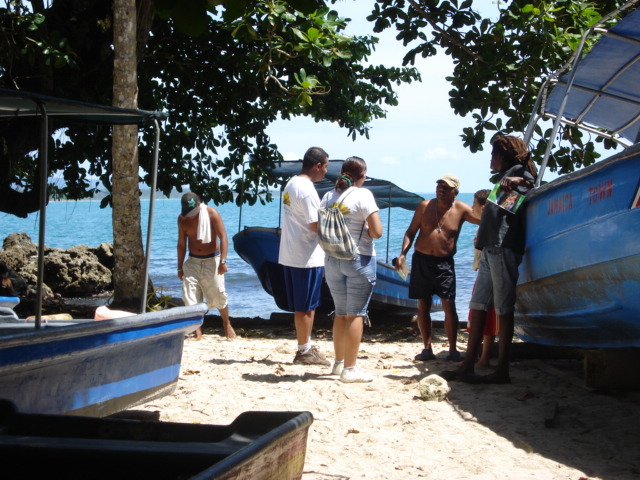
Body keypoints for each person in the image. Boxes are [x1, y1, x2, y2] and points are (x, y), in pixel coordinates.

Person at [441, 135, 537, 384]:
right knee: (478, 305)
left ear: (504, 155)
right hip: (490, 249)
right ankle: (468, 364)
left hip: (502, 248)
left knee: (503, 310)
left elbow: (530, 185)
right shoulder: (507, 176)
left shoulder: (519, 173)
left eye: (494, 154)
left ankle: (501, 370)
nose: (491, 159)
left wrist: (518, 179)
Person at [395, 174, 479, 362]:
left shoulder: (461, 209)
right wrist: (402, 254)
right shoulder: (425, 206)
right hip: (421, 260)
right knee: (423, 304)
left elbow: (484, 219)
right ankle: (427, 348)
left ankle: (452, 349)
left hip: (444, 263)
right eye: (439, 186)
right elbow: (411, 231)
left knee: (448, 303)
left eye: (446, 188)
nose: (441, 189)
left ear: (455, 192)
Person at [320, 156, 383, 383]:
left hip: (331, 258)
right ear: (362, 175)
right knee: (357, 313)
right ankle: (350, 369)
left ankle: (338, 364)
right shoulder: (363, 194)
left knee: (340, 313)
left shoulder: (328, 196)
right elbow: (377, 232)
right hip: (358, 258)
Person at [278, 146, 331, 366]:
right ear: (317, 165)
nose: (326, 172)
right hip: (306, 255)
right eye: (325, 167)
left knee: (302, 306)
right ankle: (304, 349)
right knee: (307, 306)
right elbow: (314, 225)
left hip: (290, 253)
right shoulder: (307, 189)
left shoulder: (291, 183)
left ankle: (304, 346)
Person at [177, 192, 236, 340]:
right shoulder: (182, 219)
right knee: (189, 296)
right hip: (192, 261)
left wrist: (223, 261)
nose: (190, 215)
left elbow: (223, 237)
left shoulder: (211, 213)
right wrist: (179, 267)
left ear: (199, 205)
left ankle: (226, 323)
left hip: (212, 260)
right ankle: (197, 330)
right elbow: (182, 244)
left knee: (218, 294)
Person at [467, 189, 497, 368]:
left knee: (485, 313)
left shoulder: (488, 226)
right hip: (484, 272)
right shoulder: (485, 225)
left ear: (483, 207)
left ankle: (484, 357)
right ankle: (481, 356)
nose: (471, 208)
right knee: (482, 313)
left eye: (474, 204)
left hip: (488, 273)